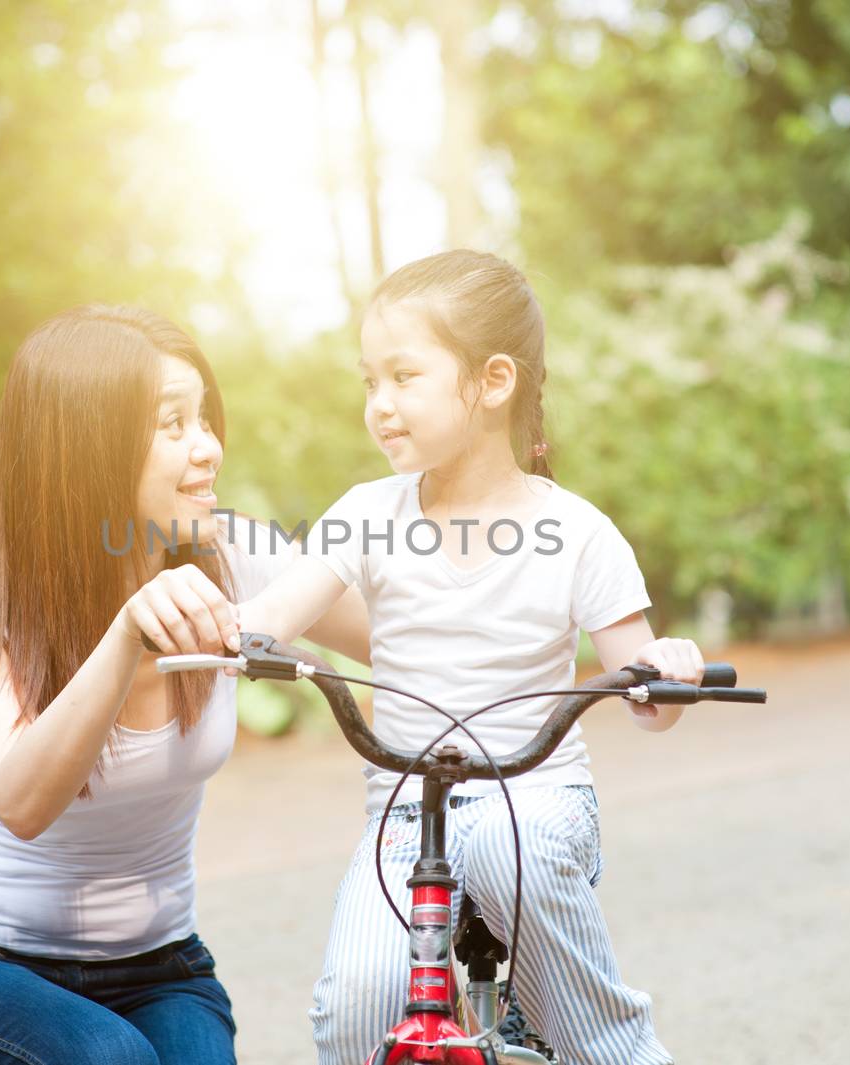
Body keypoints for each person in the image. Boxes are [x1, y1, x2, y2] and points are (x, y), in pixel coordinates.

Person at [234, 251, 701, 1065]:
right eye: (368, 381)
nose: (379, 405)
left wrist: (669, 667)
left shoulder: (577, 531)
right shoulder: (366, 513)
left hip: (540, 800)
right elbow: (270, 618)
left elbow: (647, 694)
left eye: (403, 376)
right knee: (354, 1011)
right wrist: (220, 630)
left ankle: (618, 1050)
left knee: (496, 849)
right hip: (407, 818)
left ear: (492, 382)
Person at [0, 304, 368, 1065]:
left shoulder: (231, 553)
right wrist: (125, 634)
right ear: (85, 448)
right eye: (173, 425)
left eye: (204, 418)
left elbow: (406, 639)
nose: (208, 448)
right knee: (111, 1058)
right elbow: (23, 800)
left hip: (160, 969)